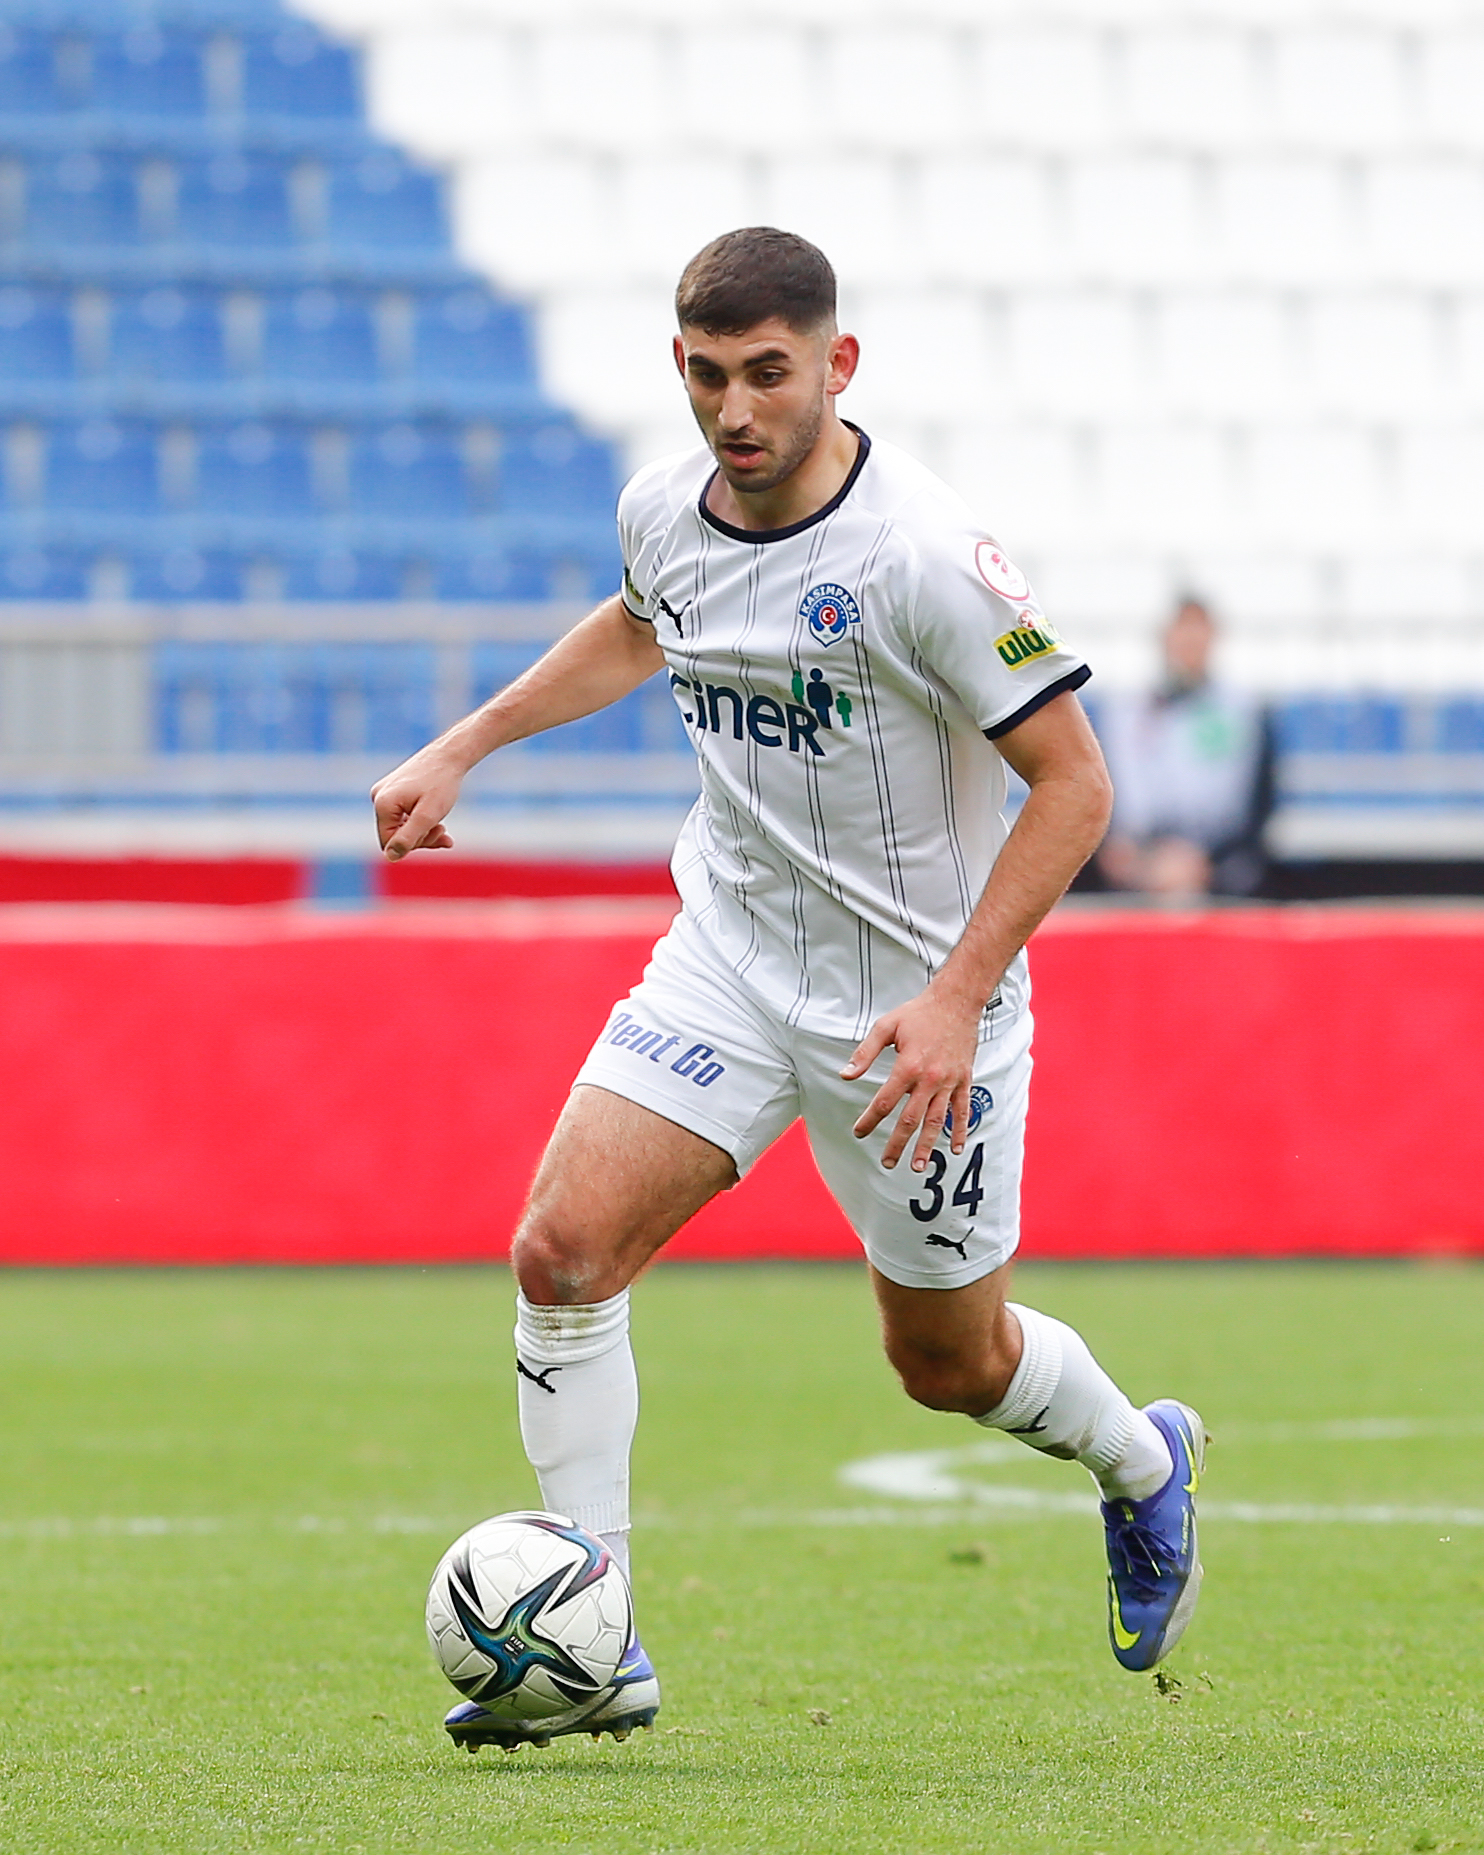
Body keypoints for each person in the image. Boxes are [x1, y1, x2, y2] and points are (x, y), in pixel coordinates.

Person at [372, 228, 1206, 1748]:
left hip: (914, 1013)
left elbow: (1076, 785)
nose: (736, 409)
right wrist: (465, 742)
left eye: (769, 373)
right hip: (732, 959)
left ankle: (1142, 1463)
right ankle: (596, 1636)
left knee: (946, 1362)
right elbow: (642, 623)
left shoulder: (923, 556)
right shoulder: (661, 507)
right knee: (561, 1254)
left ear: (838, 364)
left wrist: (956, 995)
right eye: (708, 376)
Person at [1097, 598, 1273, 899]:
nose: (1189, 642)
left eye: (1198, 632)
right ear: (1164, 637)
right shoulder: (1127, 712)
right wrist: (1131, 854)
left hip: (1217, 867)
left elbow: (1257, 806)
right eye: (1182, 631)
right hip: (1138, 862)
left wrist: (1204, 862)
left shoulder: (1243, 712)